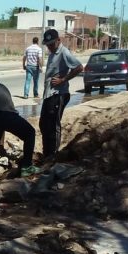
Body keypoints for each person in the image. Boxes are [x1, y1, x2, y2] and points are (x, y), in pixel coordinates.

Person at [40, 29, 83, 161]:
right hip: (49, 94)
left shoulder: (63, 52)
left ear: (59, 40)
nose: (50, 47)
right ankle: (46, 153)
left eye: (52, 44)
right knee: (43, 124)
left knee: (53, 125)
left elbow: (79, 67)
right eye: (47, 44)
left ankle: (53, 154)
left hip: (59, 94)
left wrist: (63, 80)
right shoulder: (53, 53)